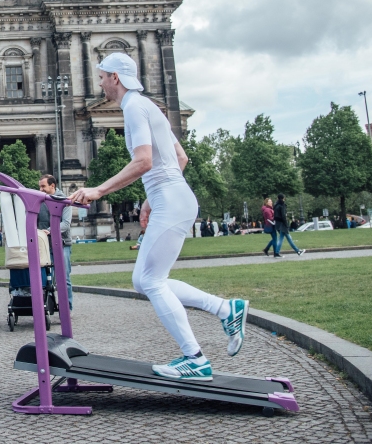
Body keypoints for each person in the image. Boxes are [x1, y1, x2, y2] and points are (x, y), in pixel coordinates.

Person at [69, 53, 248, 382]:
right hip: (174, 198)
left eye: (103, 76)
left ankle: (195, 359)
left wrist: (99, 190)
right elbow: (181, 157)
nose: (100, 83)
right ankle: (226, 309)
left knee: (150, 281)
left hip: (172, 201)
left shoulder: (134, 108)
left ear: (116, 78)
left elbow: (144, 162)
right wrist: (152, 199)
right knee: (145, 280)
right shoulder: (148, 106)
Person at [37, 174, 73, 311]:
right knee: (45, 278)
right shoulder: (40, 200)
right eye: (39, 186)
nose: (40, 189)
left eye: (43, 186)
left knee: (63, 278)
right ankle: (47, 306)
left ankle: (67, 308)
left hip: (62, 244)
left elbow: (66, 224)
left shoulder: (65, 200)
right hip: (45, 245)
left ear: (52, 186)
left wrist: (49, 230)